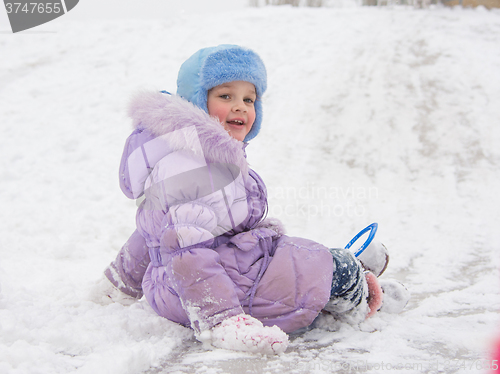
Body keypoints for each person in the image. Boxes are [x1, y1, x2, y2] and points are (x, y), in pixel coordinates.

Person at [90, 45, 409, 355]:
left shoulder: (190, 157)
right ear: (197, 102)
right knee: (324, 268)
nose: (241, 106)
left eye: (249, 99)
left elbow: (149, 235)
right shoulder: (196, 169)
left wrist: (119, 282)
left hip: (202, 278)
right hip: (209, 290)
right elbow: (185, 251)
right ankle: (360, 292)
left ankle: (338, 271)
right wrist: (221, 319)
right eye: (226, 96)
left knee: (296, 256)